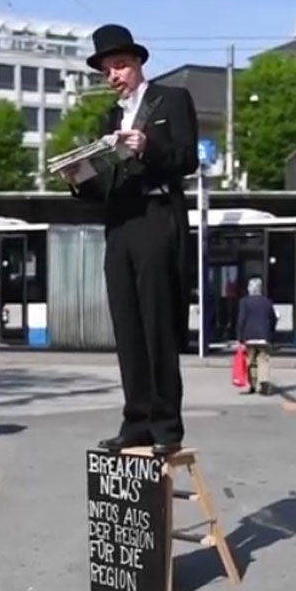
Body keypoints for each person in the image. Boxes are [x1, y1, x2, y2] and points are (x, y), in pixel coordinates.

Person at [62, 24, 198, 456]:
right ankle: (135, 420)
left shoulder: (171, 100)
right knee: (128, 327)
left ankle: (166, 427)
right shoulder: (108, 119)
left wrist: (147, 146)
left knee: (158, 323)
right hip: (120, 225)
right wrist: (77, 180)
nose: (113, 76)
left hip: (157, 217)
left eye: (119, 66)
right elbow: (103, 185)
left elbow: (187, 159)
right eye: (106, 70)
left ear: (138, 63)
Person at [237, 276, 278, 396]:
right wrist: (271, 333)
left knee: (250, 361)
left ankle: (253, 385)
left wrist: (239, 337)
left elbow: (241, 320)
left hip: (249, 337)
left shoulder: (244, 302)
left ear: (250, 288)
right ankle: (264, 382)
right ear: (260, 289)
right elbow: (273, 319)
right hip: (264, 337)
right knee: (263, 359)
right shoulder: (267, 302)